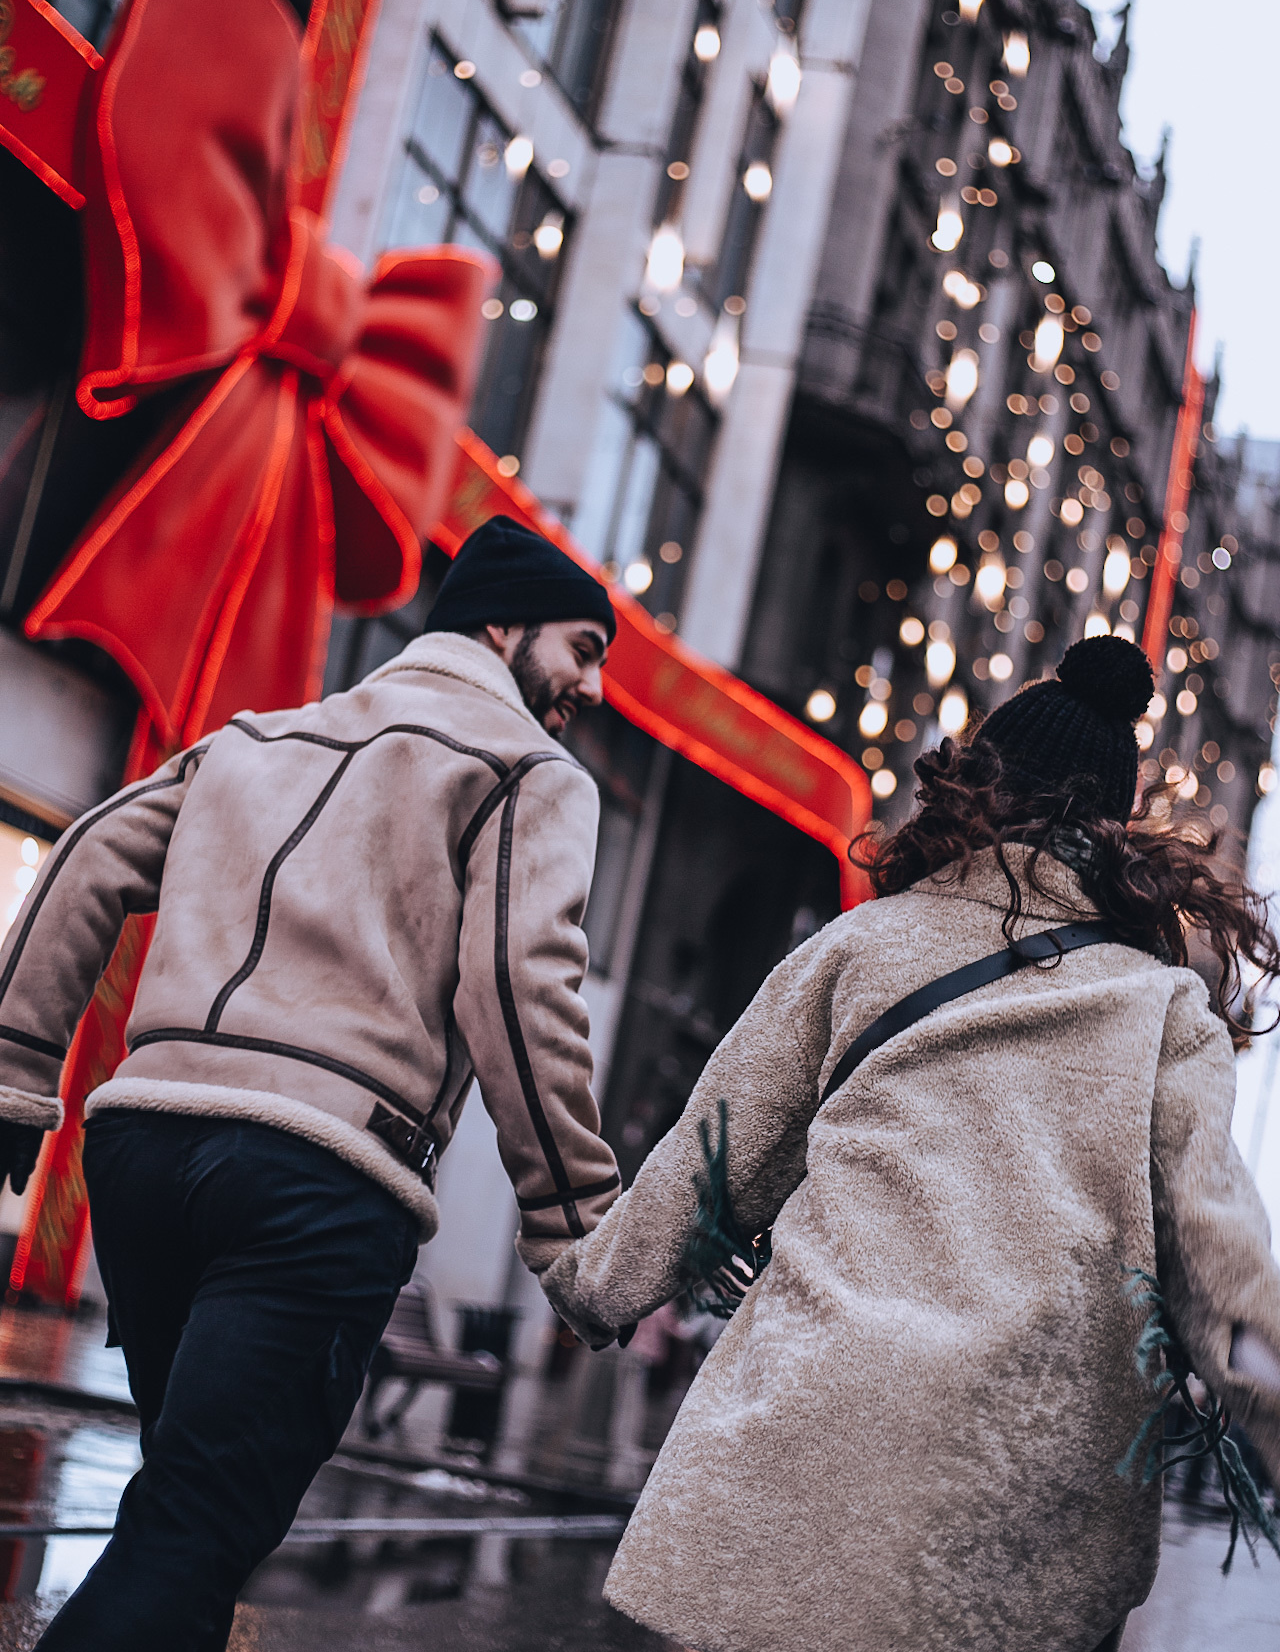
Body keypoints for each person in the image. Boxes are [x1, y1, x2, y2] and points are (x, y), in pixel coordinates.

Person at [542, 635, 1280, 1652]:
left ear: (975, 786)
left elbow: (712, 1158)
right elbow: (1219, 1265)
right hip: (1013, 1499)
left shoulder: (860, 946)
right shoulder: (1158, 1008)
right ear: (1113, 830)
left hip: (805, 1444)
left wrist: (594, 1289)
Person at [0, 513, 621, 1652]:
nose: (588, 683)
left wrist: (14, 1080)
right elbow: (517, 988)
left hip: (140, 1146)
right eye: (581, 647)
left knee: (184, 1509)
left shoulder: (253, 739)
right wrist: (576, 1230)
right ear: (501, 625)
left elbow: (86, 856)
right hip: (316, 1177)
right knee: (194, 1526)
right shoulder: (528, 772)